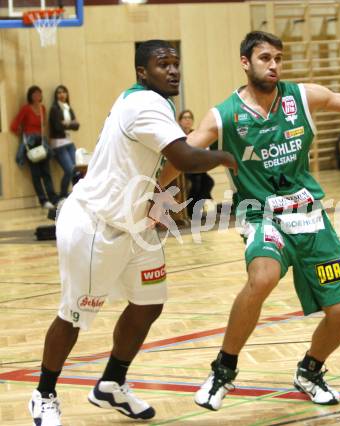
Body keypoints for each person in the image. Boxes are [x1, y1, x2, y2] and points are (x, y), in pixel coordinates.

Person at [158, 31, 340, 410]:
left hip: (308, 214)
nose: (273, 65)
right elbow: (182, 155)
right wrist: (149, 195)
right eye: (264, 58)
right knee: (263, 276)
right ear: (245, 62)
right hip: (260, 213)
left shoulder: (301, 97)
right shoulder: (225, 114)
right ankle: (223, 371)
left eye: (278, 58)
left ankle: (310, 370)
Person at [28, 39, 237, 426]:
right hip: (95, 224)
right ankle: (43, 394)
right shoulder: (144, 105)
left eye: (176, 63)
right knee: (73, 316)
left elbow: (153, 166)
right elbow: (186, 158)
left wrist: (154, 201)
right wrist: (228, 157)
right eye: (163, 64)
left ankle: (111, 383)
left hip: (134, 223)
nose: (173, 70)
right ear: (143, 72)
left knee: (149, 303)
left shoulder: (152, 100)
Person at [11, 85, 58, 209]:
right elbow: (14, 125)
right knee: (36, 174)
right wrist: (23, 135)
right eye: (35, 94)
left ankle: (53, 198)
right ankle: (43, 200)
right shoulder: (26, 109)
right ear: (30, 96)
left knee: (46, 172)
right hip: (30, 143)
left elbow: (44, 125)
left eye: (39, 94)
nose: (37, 96)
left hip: (42, 142)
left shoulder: (42, 108)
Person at [179, 109, 215, 217]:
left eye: (189, 118)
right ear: (180, 121)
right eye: (185, 118)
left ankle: (195, 208)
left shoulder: (195, 134)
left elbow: (205, 149)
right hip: (183, 168)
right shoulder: (178, 135)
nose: (187, 120)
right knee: (196, 183)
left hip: (197, 166)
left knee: (208, 182)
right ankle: (191, 211)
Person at [49, 85, 80, 199]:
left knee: (78, 169)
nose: (61, 95)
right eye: (59, 93)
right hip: (58, 144)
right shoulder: (54, 109)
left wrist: (66, 124)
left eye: (63, 92)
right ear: (56, 96)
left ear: (67, 94)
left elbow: (77, 126)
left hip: (69, 142)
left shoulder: (68, 108)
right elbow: (57, 127)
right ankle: (63, 195)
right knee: (69, 170)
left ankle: (77, 194)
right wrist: (70, 123)